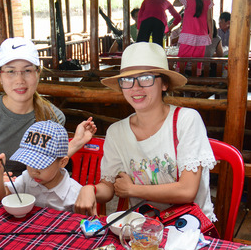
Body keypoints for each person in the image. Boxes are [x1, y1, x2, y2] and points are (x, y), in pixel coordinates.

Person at [74, 42, 216, 223]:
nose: (135, 87)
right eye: (127, 80)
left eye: (146, 78)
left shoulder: (186, 120)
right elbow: (109, 187)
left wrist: (131, 190)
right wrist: (90, 189)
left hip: (190, 228)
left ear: (164, 84)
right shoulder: (116, 132)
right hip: (143, 229)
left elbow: (187, 191)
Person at [0, 37, 96, 195]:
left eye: (27, 70)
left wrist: (76, 143)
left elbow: (50, 163)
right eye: (11, 71)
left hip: (28, 195)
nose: (19, 80)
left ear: (38, 72)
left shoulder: (52, 116)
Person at [0, 120, 82, 212]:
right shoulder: (27, 178)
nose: (33, 171)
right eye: (29, 162)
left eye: (41, 165)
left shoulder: (75, 193)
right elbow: (0, 196)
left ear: (62, 162)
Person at [174, 0, 213, 75]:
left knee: (182, 60)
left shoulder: (187, 1)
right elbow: (209, 20)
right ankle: (197, 82)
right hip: (202, 36)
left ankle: (180, 82)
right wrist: (210, 34)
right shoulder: (208, 2)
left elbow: (175, 3)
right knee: (198, 61)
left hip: (187, 35)